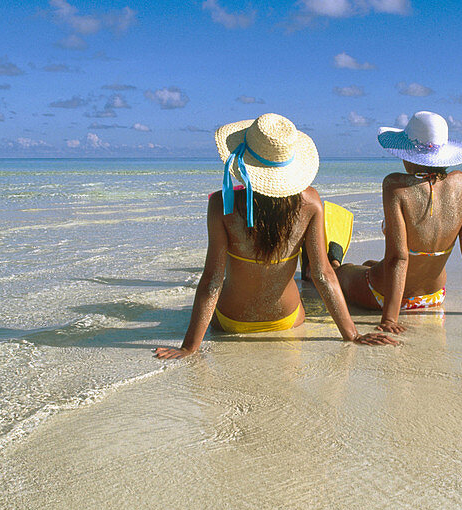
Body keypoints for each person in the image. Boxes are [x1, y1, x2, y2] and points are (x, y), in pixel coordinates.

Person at [155, 113, 398, 359]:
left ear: (244, 161)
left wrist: (189, 347)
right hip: (287, 319)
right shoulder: (311, 202)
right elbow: (322, 275)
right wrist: (352, 334)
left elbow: (212, 280)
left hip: (231, 321)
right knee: (315, 277)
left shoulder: (222, 204)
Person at [336, 111, 462, 333]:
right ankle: (367, 266)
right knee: (370, 263)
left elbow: (399, 258)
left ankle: (333, 262)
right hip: (433, 297)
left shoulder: (395, 187)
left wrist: (389, 320)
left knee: (343, 272)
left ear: (407, 155)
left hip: (383, 297)